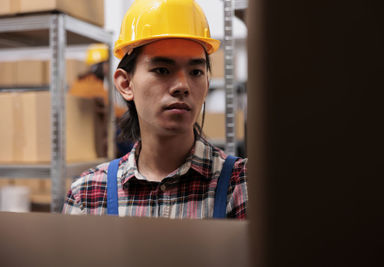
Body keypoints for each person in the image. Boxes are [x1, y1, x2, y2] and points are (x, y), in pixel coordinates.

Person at [63, 0, 248, 219]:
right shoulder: (88, 195)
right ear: (125, 84)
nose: (182, 86)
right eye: (162, 70)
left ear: (207, 84)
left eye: (196, 72)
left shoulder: (241, 186)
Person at [69, 44, 130, 157]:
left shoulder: (80, 82)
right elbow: (114, 111)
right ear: (99, 66)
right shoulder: (94, 86)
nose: (108, 68)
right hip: (91, 135)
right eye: (106, 63)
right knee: (126, 134)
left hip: (83, 135)